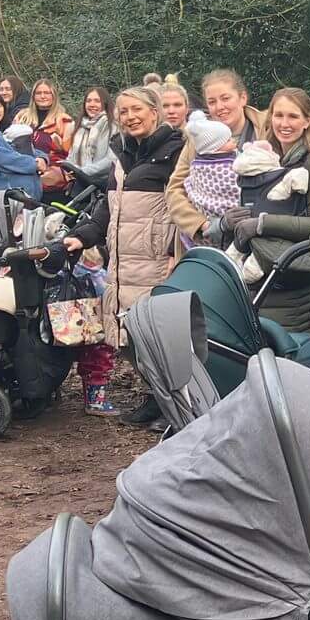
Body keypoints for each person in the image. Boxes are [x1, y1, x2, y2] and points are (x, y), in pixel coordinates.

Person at [61, 85, 183, 417]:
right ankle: (156, 396)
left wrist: (178, 248)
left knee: (157, 333)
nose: (130, 117)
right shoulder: (122, 152)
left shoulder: (176, 150)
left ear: (154, 111)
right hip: (124, 258)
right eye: (124, 112)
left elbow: (186, 203)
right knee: (128, 332)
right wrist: (83, 236)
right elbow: (108, 205)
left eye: (136, 110)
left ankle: (170, 403)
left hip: (157, 256)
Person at [224, 87, 310, 336]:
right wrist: (229, 222)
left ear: (307, 121)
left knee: (284, 352)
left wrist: (262, 223)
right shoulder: (262, 160)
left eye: (293, 116)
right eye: (279, 116)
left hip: (294, 281)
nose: (284, 123)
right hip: (256, 273)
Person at [165, 69, 268, 240]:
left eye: (226, 98)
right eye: (212, 102)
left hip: (261, 234)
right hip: (210, 239)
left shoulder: (268, 129)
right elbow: (175, 189)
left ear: (243, 98)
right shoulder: (197, 139)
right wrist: (203, 224)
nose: (220, 107)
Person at [68, 88, 113, 181]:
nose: (92, 104)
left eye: (97, 101)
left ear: (105, 103)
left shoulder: (112, 126)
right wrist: (68, 169)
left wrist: (82, 171)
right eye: (88, 101)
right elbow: (71, 156)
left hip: (103, 183)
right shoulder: (79, 126)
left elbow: (112, 159)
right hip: (79, 181)